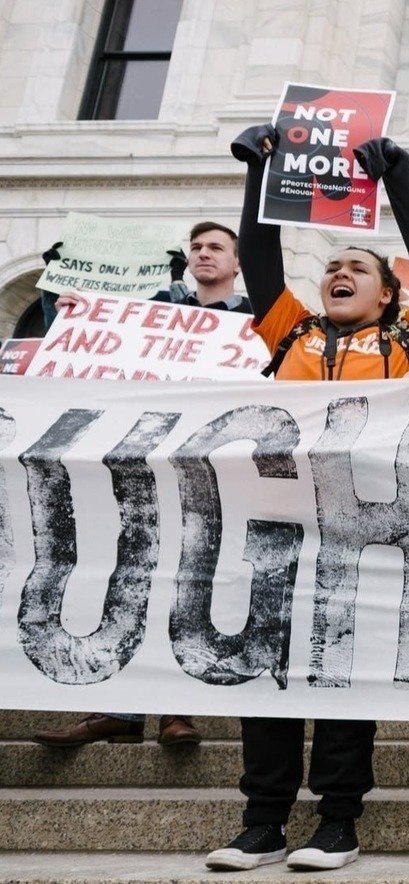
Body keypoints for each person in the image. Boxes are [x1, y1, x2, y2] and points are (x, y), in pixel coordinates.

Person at [203, 126, 409, 873]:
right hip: (282, 524)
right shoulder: (290, 335)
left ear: (387, 291)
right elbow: (258, 260)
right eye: (333, 268)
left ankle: (337, 822)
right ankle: (262, 822)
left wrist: (400, 178)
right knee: (271, 667)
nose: (339, 274)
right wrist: (258, 175)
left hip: (366, 531)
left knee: (342, 670)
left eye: (356, 267)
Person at [30, 221, 249, 750]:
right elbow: (80, 347)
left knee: (189, 582)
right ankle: (121, 711)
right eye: (195, 246)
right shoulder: (155, 306)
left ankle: (176, 711)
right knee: (130, 576)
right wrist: (53, 294)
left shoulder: (255, 318)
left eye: (215, 246)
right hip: (144, 466)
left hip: (215, 470)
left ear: (237, 262)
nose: (203, 253)